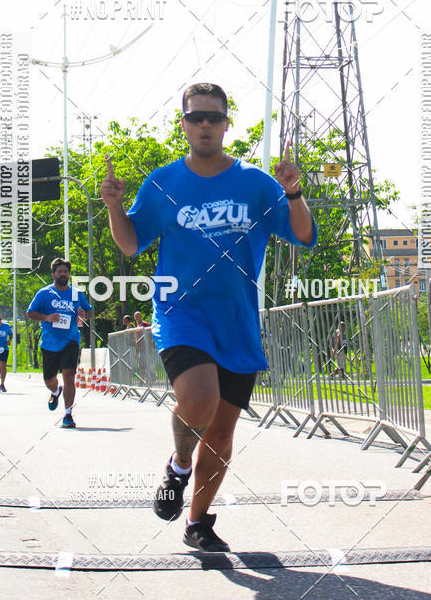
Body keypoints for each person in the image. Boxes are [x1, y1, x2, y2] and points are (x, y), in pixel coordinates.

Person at [101, 82, 316, 552]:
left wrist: (294, 191)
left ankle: (197, 523)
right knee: (198, 400)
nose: (204, 124)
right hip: (181, 311)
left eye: (213, 117)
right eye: (195, 116)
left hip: (237, 321)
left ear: (225, 124)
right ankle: (178, 467)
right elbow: (132, 243)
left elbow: (302, 235)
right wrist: (115, 206)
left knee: (220, 432)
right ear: (183, 123)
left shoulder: (256, 183)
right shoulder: (162, 183)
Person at [27, 258, 92, 428]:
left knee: (69, 375)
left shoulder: (76, 294)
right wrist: (47, 317)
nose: (63, 274)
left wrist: (84, 314)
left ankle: (68, 414)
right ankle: (56, 391)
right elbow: (30, 313)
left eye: (66, 272)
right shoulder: (45, 293)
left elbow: (89, 311)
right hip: (49, 342)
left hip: (70, 340)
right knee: (49, 380)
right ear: (53, 274)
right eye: (60, 272)